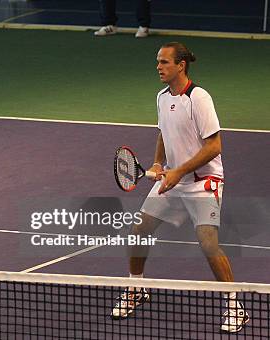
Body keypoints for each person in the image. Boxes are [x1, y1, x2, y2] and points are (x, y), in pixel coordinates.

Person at [110, 42, 249, 333]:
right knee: (139, 230)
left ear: (181, 65)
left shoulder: (199, 98)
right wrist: (159, 164)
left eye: (164, 62)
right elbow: (163, 131)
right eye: (158, 62)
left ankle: (236, 306)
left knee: (208, 243)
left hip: (203, 182)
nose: (158, 67)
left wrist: (179, 172)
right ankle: (136, 288)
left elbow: (215, 146)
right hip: (172, 179)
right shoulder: (162, 97)